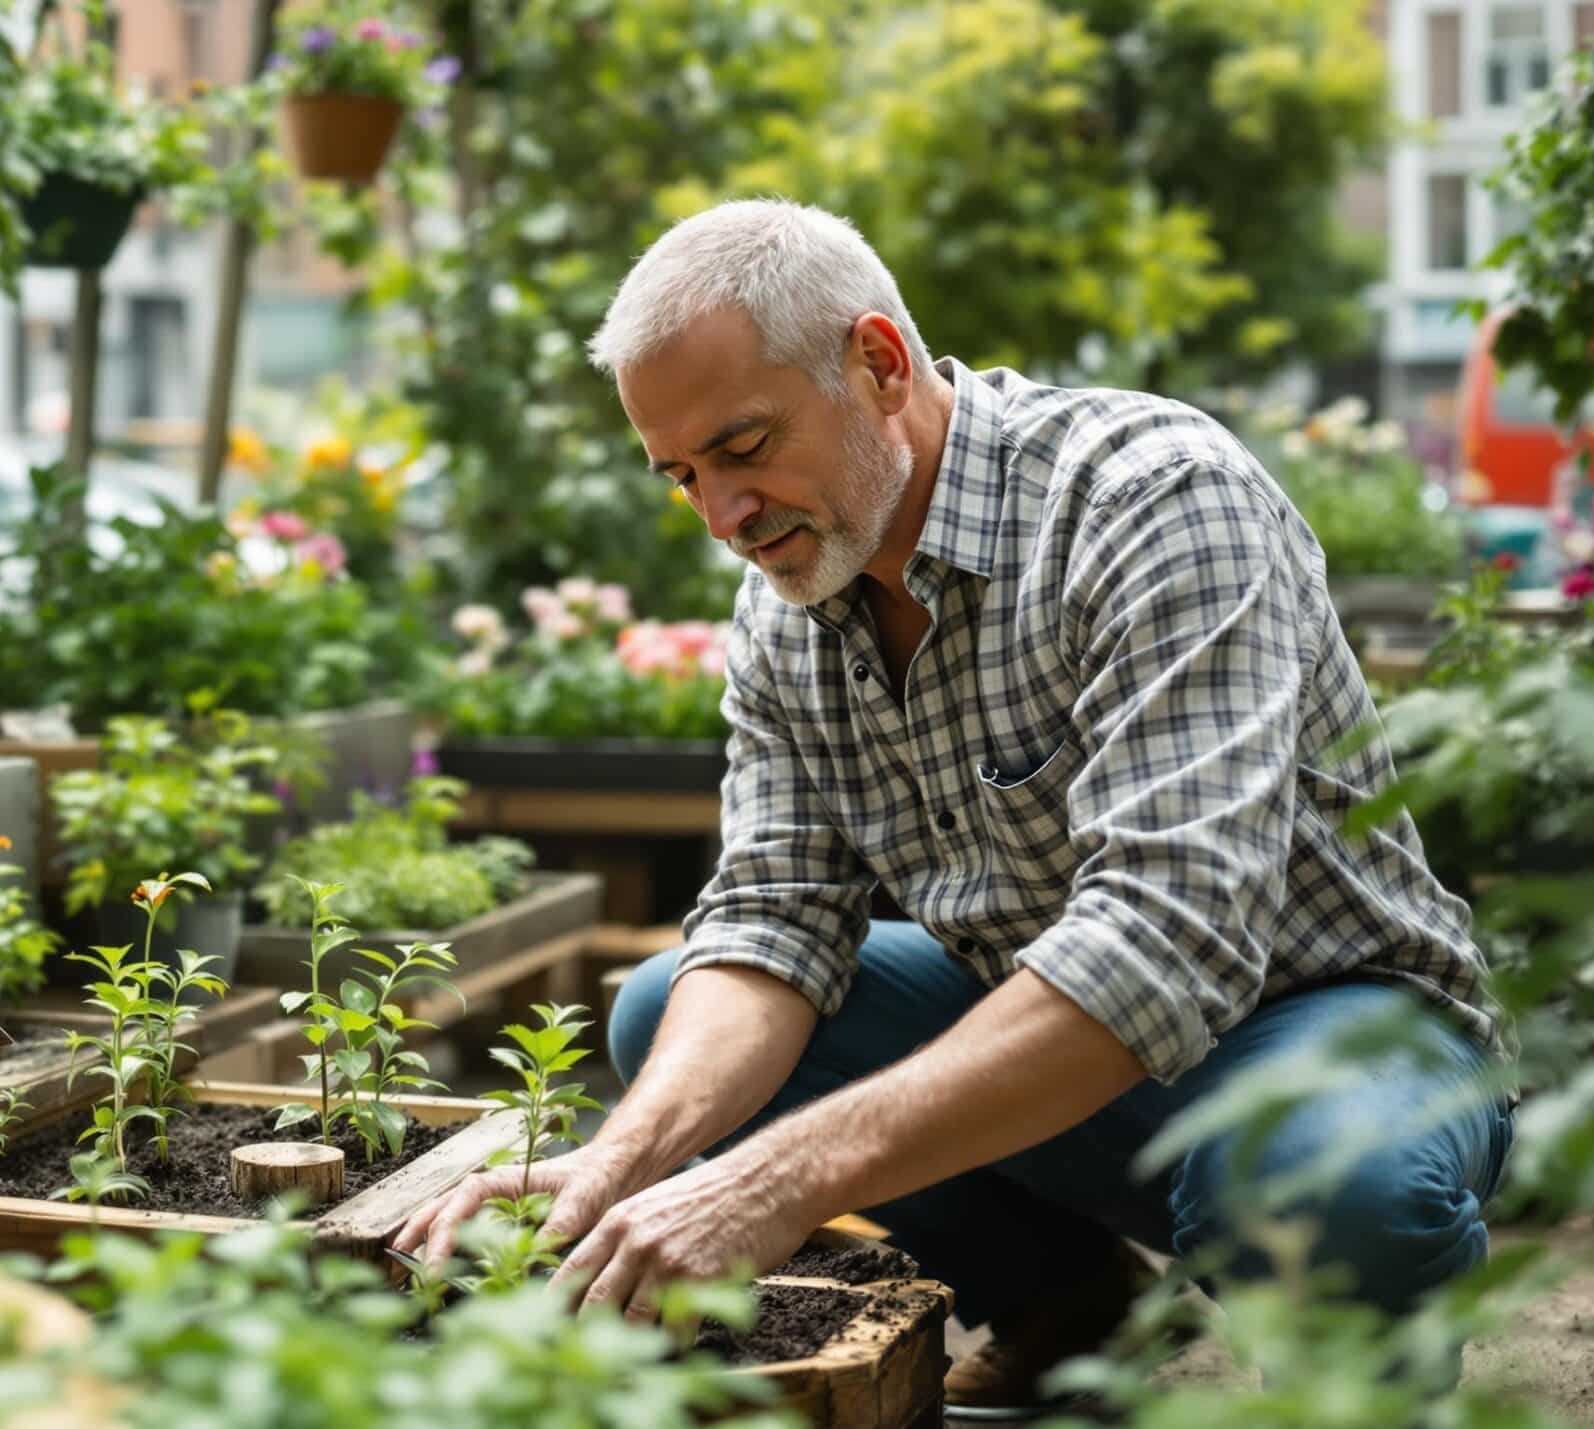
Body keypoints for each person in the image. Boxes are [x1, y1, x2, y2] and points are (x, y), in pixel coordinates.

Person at [391, 199, 1510, 1417]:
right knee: (669, 1016)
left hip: (1325, 1024)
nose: (723, 516)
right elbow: (772, 916)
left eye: (746, 445)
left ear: (876, 362)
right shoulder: (790, 611)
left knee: (1319, 1182)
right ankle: (1070, 1302)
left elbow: (1163, 940)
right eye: (684, 476)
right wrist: (614, 1165)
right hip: (1085, 1057)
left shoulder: (1152, 500)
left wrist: (769, 1183)